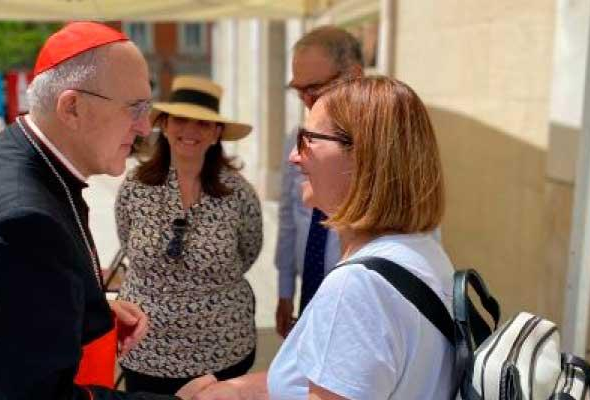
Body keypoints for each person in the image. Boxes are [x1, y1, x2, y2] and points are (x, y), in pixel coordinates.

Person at [0, 22, 213, 400]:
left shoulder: (22, 159)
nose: (146, 128)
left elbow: (15, 313)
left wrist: (87, 310)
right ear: (72, 107)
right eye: (135, 108)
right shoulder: (21, 223)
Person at [191, 76, 455, 399]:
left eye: (308, 140)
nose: (294, 157)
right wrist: (234, 391)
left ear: (363, 155)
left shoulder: (359, 286)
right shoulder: (421, 250)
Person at [115, 75, 263, 395]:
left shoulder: (238, 192)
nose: (190, 131)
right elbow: (128, 241)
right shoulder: (135, 186)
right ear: (164, 125)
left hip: (222, 348)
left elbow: (249, 251)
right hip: (147, 351)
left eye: (203, 124)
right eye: (180, 120)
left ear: (217, 133)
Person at [275, 26, 365, 337]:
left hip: (359, 309)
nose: (307, 101)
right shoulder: (297, 137)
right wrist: (284, 289)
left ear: (354, 75)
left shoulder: (386, 146)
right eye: (299, 91)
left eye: (314, 89)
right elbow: (289, 218)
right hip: (310, 298)